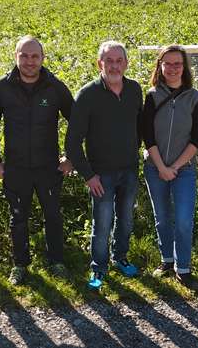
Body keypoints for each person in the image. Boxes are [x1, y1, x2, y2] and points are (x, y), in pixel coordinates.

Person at [0, 36, 74, 285]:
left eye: (35, 56)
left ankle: (56, 261)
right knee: (18, 218)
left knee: (53, 215)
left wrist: (70, 157)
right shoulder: (2, 87)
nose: (29, 61)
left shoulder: (55, 87)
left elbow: (76, 121)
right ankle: (20, 264)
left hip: (48, 167)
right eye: (24, 55)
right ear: (16, 57)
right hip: (16, 167)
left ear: (42, 58)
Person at [66, 41, 143, 290]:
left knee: (126, 220)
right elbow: (73, 142)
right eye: (109, 61)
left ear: (126, 64)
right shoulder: (87, 94)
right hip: (101, 175)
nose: (114, 65)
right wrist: (88, 176)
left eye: (119, 60)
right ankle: (98, 268)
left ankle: (120, 257)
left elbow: (140, 128)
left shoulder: (134, 90)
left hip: (129, 169)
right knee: (102, 222)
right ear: (100, 64)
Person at [141, 45, 198, 289]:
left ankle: (184, 267)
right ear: (160, 66)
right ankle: (167, 260)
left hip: (184, 169)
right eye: (167, 63)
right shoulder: (151, 96)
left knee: (184, 219)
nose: (173, 68)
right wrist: (161, 167)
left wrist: (175, 167)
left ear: (184, 67)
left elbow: (196, 138)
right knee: (162, 217)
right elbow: (148, 136)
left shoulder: (195, 98)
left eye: (178, 64)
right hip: (155, 167)